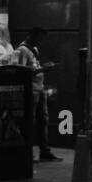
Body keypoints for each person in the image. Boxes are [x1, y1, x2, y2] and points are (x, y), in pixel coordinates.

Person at [15, 27, 60, 162]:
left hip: (40, 90)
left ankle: (44, 151)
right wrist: (43, 69)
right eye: (39, 38)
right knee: (30, 121)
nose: (40, 41)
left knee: (43, 120)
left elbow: (33, 67)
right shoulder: (23, 50)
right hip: (31, 91)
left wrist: (42, 67)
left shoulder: (33, 50)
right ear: (31, 36)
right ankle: (27, 152)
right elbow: (21, 72)